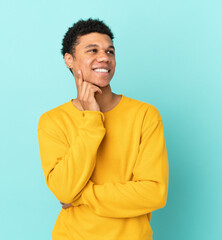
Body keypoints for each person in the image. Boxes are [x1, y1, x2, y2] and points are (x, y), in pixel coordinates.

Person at [37, 18, 169, 240]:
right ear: (69, 60)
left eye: (110, 52)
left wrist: (82, 195)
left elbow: (154, 193)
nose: (104, 58)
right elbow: (64, 189)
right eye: (92, 50)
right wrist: (92, 119)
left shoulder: (145, 115)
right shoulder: (52, 121)